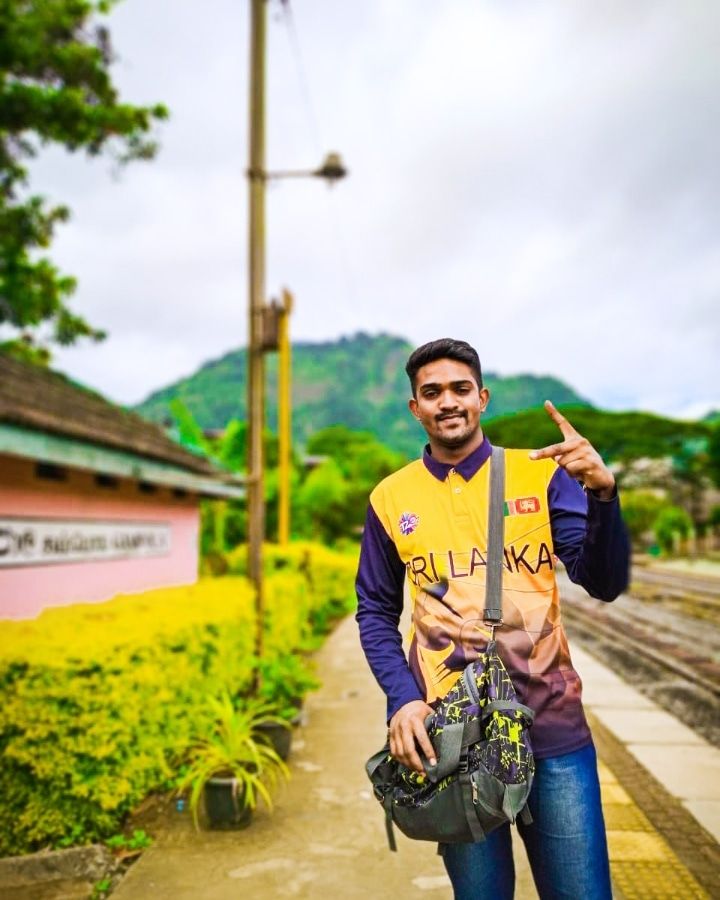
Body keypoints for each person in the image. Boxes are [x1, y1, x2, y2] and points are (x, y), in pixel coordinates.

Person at [355, 338, 630, 900]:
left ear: (481, 398)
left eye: (460, 389)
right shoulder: (390, 498)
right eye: (432, 392)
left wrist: (603, 495)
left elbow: (602, 581)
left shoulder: (539, 474)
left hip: (551, 725)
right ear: (415, 407)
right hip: (452, 740)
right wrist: (403, 700)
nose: (447, 402)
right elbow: (376, 610)